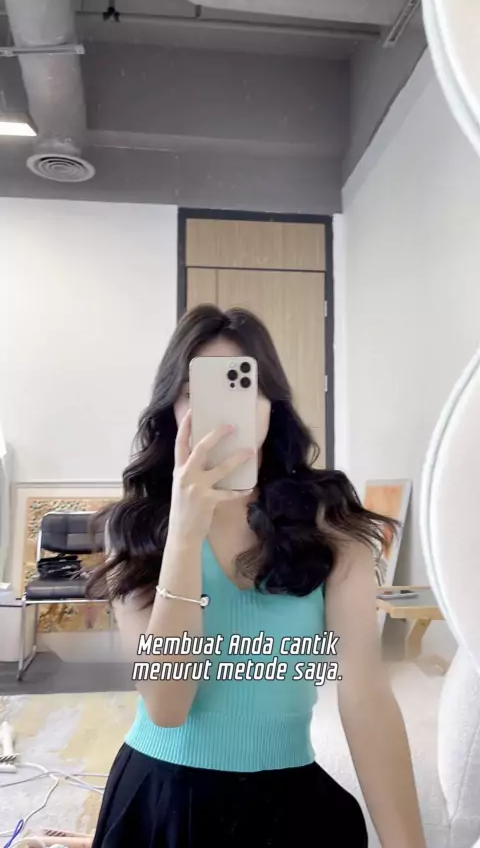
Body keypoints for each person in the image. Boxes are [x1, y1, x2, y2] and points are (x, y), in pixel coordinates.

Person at [87, 305, 426, 848]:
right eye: (197, 393)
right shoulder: (137, 527)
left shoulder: (327, 519)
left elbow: (364, 693)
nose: (223, 416)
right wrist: (185, 532)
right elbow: (167, 708)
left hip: (290, 803)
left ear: (273, 406)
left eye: (244, 390)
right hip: (161, 802)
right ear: (172, 408)